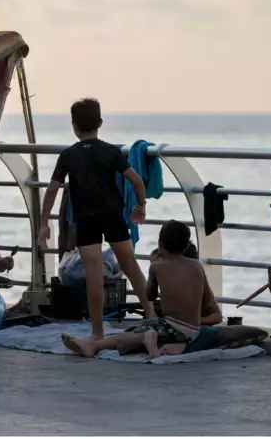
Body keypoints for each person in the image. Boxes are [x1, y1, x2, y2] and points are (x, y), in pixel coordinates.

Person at [36, 98, 156, 340]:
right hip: (112, 215)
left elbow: (51, 189)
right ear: (100, 122)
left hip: (86, 219)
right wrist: (140, 206)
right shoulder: (110, 151)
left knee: (94, 274)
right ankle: (152, 319)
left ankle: (97, 332)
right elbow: (136, 181)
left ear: (74, 126)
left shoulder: (68, 155)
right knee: (130, 266)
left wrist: (43, 225)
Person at [62, 220, 223, 359]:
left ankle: (96, 346)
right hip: (191, 330)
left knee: (136, 333)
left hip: (175, 328)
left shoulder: (158, 267)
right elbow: (215, 316)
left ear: (160, 244)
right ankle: (162, 344)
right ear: (187, 245)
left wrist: (153, 267)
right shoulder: (197, 266)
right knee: (147, 330)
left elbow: (149, 296)